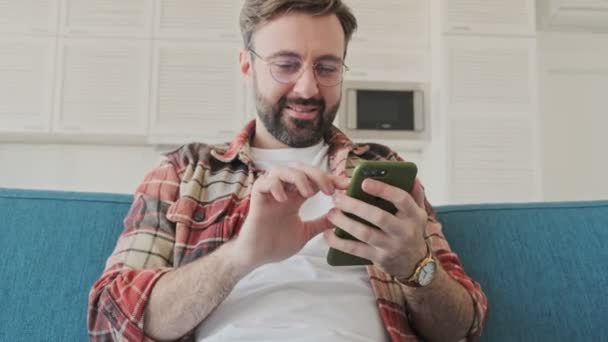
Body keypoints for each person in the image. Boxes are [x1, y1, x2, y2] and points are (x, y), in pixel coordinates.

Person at [88, 0, 488, 341]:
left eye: (327, 68)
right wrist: (242, 256)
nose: (307, 88)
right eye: (286, 65)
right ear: (247, 65)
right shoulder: (183, 171)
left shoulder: (385, 170)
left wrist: (414, 266)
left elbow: (463, 327)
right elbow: (110, 319)